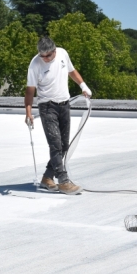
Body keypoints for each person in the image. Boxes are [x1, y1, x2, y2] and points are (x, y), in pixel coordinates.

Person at [24, 37, 92, 195]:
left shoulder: (62, 54)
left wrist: (83, 85)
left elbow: (72, 71)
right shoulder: (35, 64)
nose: (45, 59)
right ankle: (63, 181)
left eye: (49, 55)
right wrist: (28, 112)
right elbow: (30, 91)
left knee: (63, 146)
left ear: (55, 51)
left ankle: (47, 177)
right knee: (55, 144)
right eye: (43, 56)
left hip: (64, 105)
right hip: (47, 107)